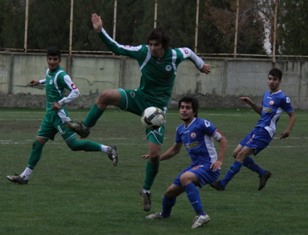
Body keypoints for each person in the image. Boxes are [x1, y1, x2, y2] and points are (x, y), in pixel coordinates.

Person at [67, 13, 212, 211]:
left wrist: (201, 65)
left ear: (164, 46)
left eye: (156, 46)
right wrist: (100, 30)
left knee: (154, 155)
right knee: (106, 95)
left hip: (156, 111)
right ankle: (85, 128)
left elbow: (189, 52)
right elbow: (116, 48)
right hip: (140, 99)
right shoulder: (143, 52)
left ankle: (146, 190)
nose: (152, 49)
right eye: (150, 45)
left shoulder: (176, 55)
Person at [6, 47, 118, 185]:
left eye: (55, 59)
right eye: (49, 59)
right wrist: (39, 82)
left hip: (59, 117)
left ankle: (108, 149)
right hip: (49, 117)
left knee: (74, 145)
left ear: (59, 60)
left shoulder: (62, 75)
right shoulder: (49, 72)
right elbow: (49, 80)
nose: (52, 62)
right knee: (37, 144)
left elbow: (76, 92)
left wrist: (61, 102)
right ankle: (25, 176)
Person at [145, 96, 227, 229]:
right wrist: (156, 157)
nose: (184, 110)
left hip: (209, 166)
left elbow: (223, 140)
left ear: (194, 111)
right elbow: (175, 150)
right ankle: (164, 215)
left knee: (185, 178)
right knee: (170, 192)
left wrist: (219, 160)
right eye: (182, 107)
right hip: (196, 166)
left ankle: (202, 215)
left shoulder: (202, 124)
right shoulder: (180, 129)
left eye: (188, 108)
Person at [211, 68, 296, 191]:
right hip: (257, 128)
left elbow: (292, 115)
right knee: (236, 154)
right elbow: (263, 112)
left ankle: (222, 184)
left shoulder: (282, 97)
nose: (271, 82)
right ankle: (263, 173)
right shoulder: (267, 94)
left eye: (275, 79)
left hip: (266, 131)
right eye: (270, 78)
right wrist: (251, 103)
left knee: (241, 155)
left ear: (280, 81)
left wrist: (288, 130)